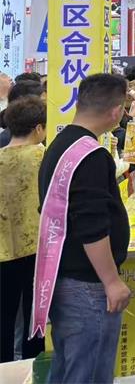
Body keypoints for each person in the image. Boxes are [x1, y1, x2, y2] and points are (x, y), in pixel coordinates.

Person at [36, 74, 132, 383]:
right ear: (116, 112)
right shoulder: (90, 156)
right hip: (87, 286)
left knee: (70, 369)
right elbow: (91, 226)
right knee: (88, 373)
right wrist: (112, 281)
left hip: (66, 277)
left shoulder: (60, 145)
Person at [0, 95, 46, 363]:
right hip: (36, 248)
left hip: (3, 250)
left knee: (4, 317)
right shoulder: (42, 156)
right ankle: (33, 367)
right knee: (34, 316)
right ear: (38, 127)